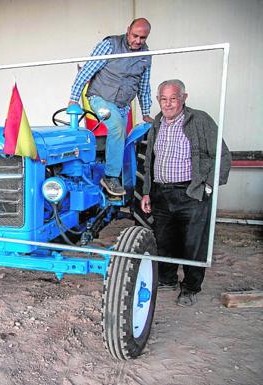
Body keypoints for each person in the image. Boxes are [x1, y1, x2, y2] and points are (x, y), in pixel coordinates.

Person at [141, 79, 231, 307]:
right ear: (158, 100)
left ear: (184, 98)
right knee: (164, 241)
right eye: (163, 99)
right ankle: (168, 279)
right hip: (161, 193)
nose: (168, 104)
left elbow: (222, 155)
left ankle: (190, 287)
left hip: (190, 192)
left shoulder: (199, 120)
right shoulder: (157, 124)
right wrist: (146, 192)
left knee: (193, 244)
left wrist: (208, 186)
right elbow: (149, 162)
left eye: (173, 98)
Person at [69, 18, 154, 196]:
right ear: (128, 29)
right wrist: (74, 99)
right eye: (135, 35)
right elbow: (87, 71)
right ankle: (110, 177)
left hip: (122, 106)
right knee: (116, 126)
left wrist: (146, 113)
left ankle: (118, 178)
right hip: (99, 99)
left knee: (123, 136)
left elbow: (144, 86)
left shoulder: (146, 56)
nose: (138, 41)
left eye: (143, 38)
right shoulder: (109, 45)